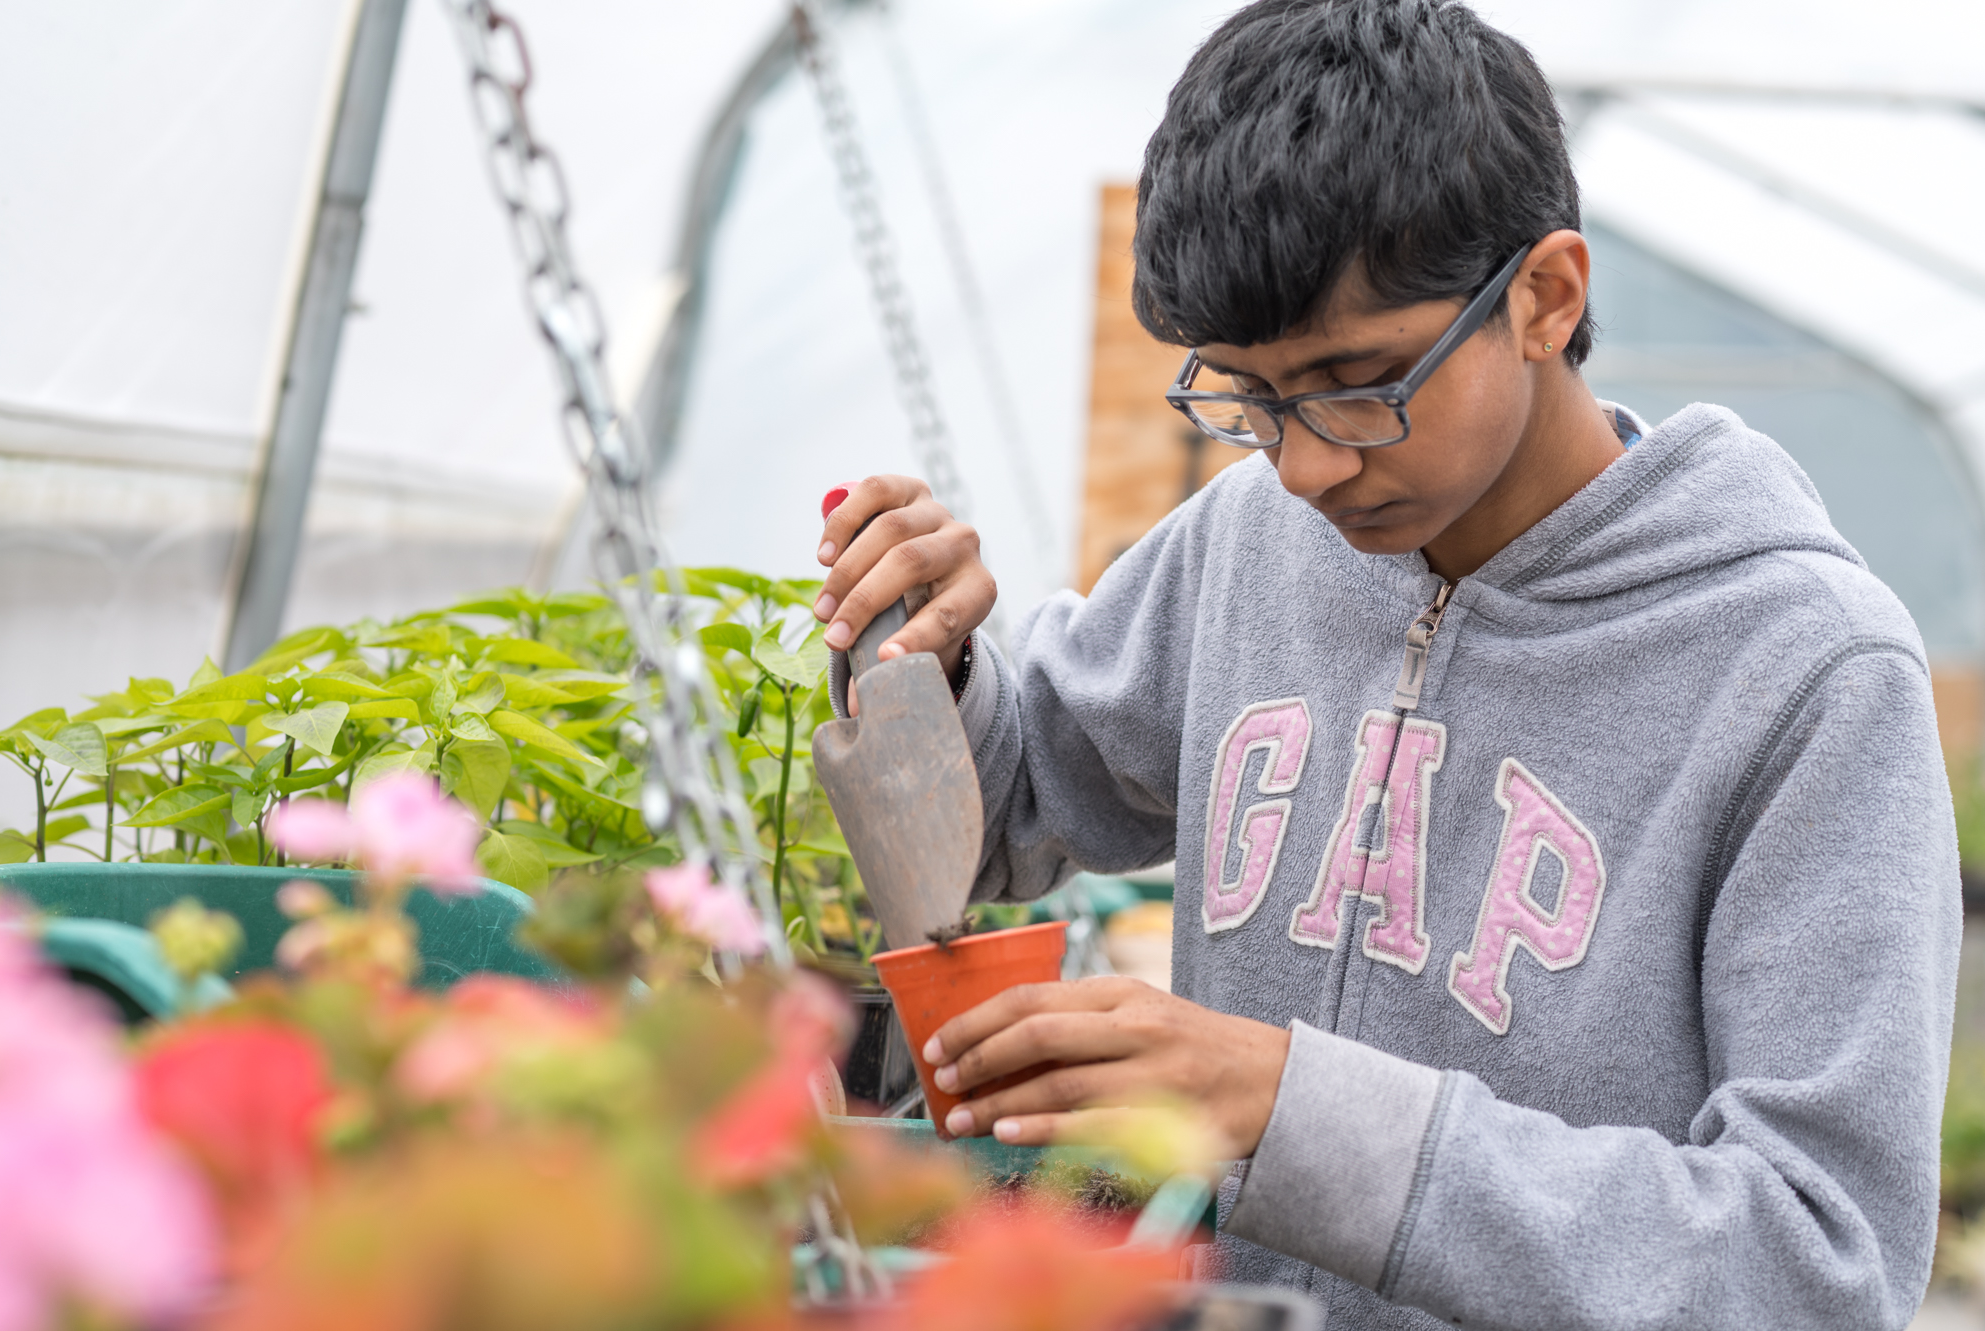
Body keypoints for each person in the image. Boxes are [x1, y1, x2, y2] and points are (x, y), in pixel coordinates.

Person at [811, 1, 1960, 1325]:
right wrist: (925, 666)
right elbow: (1012, 820)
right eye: (1250, 397)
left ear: (1545, 297)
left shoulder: (1808, 674)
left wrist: (1287, 1106)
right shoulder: (1249, 537)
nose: (1306, 467)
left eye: (1360, 382)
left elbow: (1821, 1268)